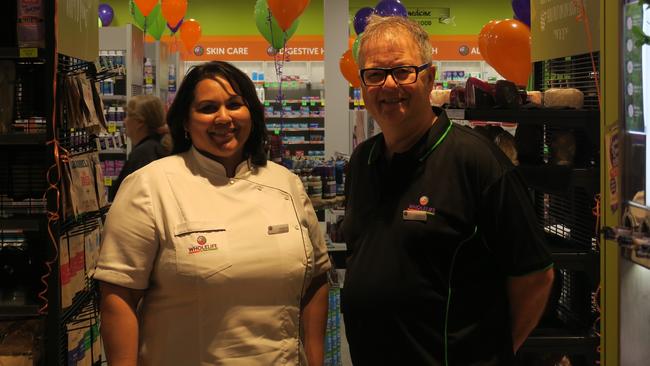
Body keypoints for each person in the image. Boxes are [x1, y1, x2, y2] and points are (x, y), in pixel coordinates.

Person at [340, 15, 555, 366]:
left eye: (403, 71)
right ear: (362, 84)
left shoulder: (477, 162)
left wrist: (495, 354)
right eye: (375, 74)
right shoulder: (363, 160)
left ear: (430, 78)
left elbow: (535, 275)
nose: (388, 85)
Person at [95, 61, 331, 366]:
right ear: (185, 121)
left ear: (252, 113)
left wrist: (315, 360)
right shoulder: (150, 186)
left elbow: (315, 280)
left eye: (234, 104)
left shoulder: (286, 184)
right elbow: (119, 294)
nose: (224, 118)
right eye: (207, 108)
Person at [108, 95, 171, 201]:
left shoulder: (143, 154)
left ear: (140, 122)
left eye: (128, 116)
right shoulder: (159, 146)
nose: (124, 121)